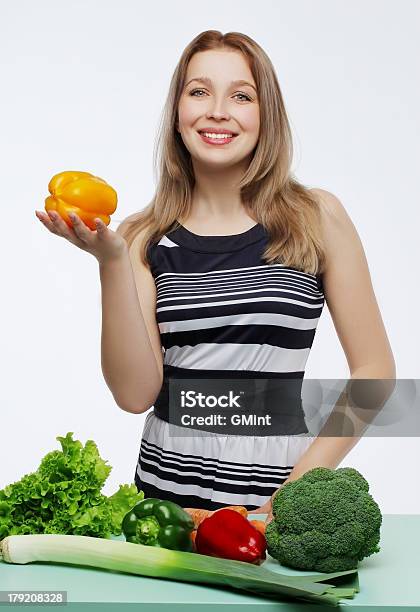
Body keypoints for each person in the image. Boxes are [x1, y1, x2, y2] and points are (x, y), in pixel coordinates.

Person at [35, 30, 395, 523]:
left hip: (275, 510)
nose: (218, 111)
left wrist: (288, 502)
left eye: (241, 95)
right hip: (164, 511)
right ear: (177, 114)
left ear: (265, 115)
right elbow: (134, 395)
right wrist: (111, 263)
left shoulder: (315, 218)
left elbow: (375, 374)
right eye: (199, 91)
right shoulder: (143, 236)